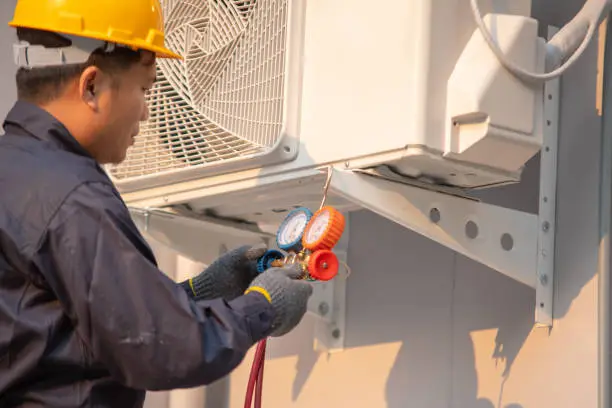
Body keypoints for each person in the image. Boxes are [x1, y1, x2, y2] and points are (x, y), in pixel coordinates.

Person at [0, 0, 313, 407]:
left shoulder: (17, 173)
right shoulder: (72, 196)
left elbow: (63, 330)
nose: (147, 112)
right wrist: (262, 307)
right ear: (91, 86)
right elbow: (159, 351)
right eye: (145, 89)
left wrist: (197, 294)